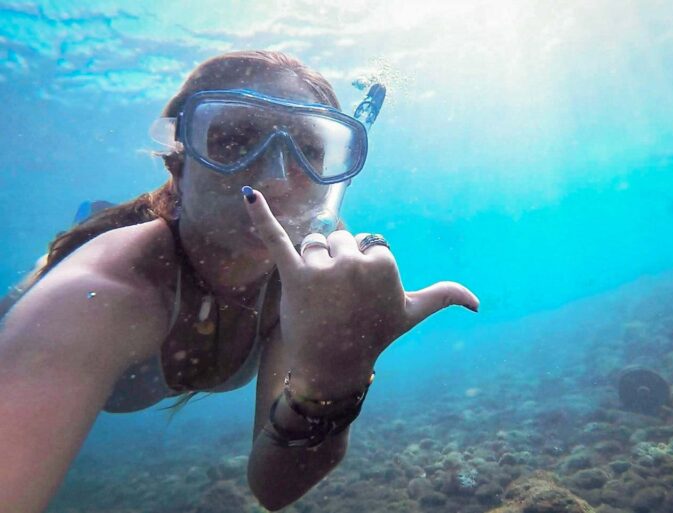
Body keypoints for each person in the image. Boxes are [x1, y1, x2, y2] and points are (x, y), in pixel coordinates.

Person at [0, 50, 479, 512]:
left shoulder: (309, 286)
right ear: (178, 165)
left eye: (310, 150)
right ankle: (93, 224)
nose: (275, 181)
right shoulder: (102, 295)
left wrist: (336, 376)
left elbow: (273, 488)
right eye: (232, 140)